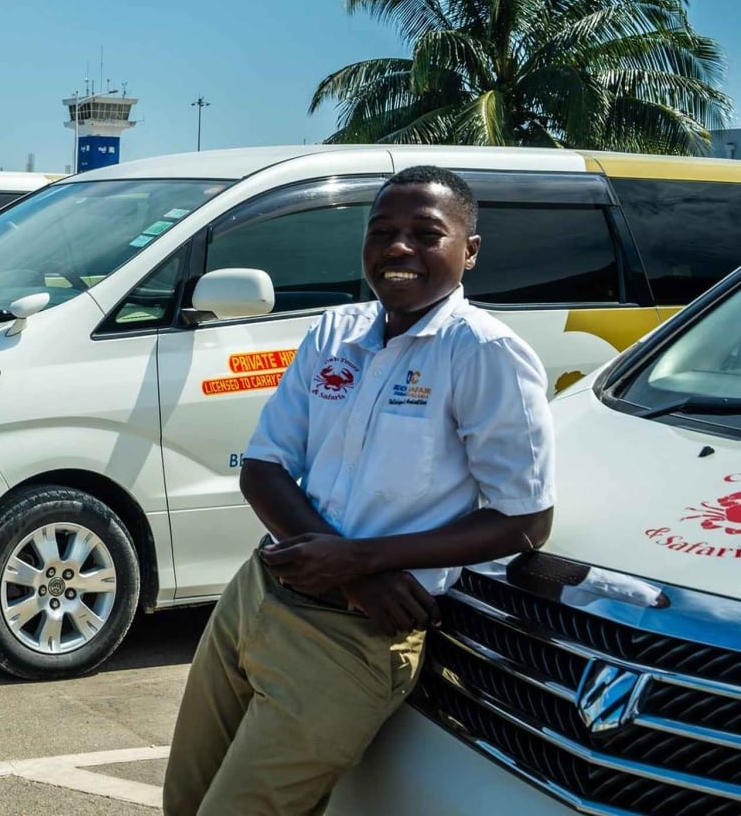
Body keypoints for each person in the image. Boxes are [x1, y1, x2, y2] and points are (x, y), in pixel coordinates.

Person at [162, 166, 556, 816]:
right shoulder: (333, 334)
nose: (399, 247)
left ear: (470, 251)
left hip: (352, 641)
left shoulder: (484, 353)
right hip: (256, 595)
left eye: (426, 233)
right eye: (382, 231)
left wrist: (361, 564)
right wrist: (354, 570)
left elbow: (526, 519)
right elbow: (263, 467)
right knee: (185, 799)